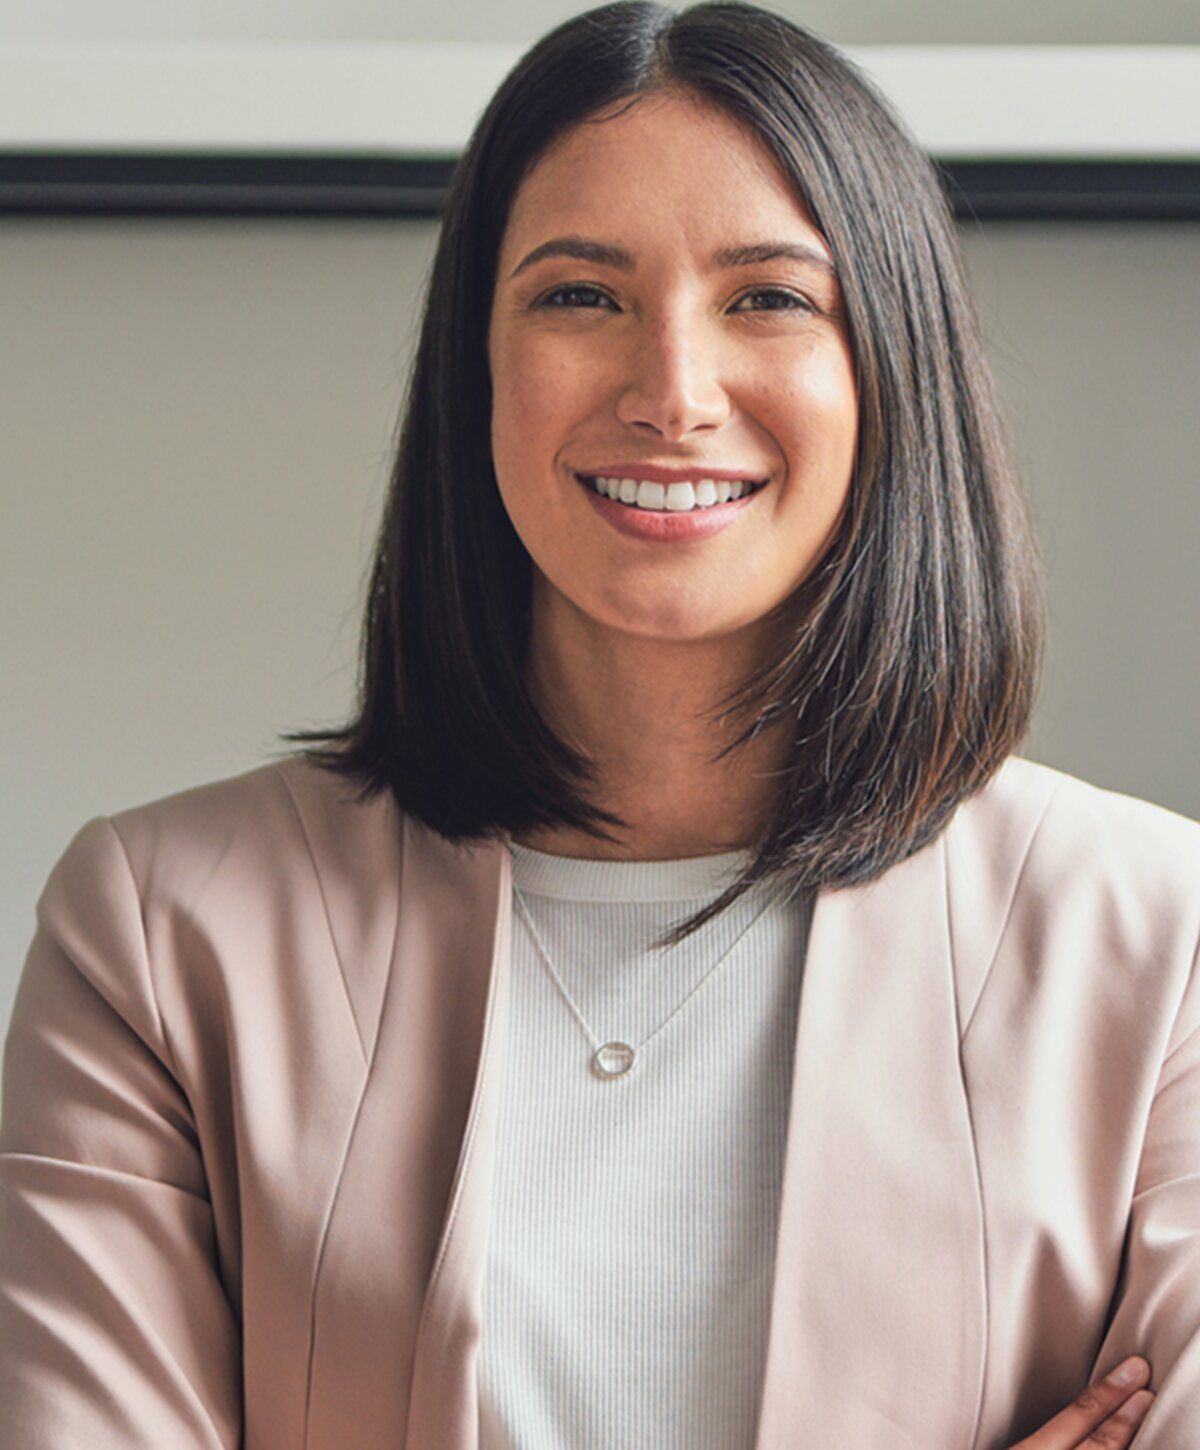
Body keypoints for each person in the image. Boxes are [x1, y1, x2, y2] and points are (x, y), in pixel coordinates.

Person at [1, 2, 1197, 1446]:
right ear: (476, 367)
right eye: (580, 296)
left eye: (769, 299)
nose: (672, 394)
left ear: (893, 369)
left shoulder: (1161, 941)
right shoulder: (157, 932)